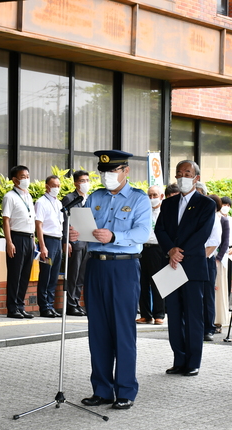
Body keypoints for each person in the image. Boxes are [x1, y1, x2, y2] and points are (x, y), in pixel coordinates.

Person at [73, 150, 151, 411]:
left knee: (123, 330)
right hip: (96, 266)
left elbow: (142, 232)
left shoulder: (139, 199)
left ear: (125, 171)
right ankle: (102, 389)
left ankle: (126, 390)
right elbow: (86, 229)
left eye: (112, 171)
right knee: (98, 330)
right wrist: (76, 234)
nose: (106, 176)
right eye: (103, 172)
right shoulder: (95, 197)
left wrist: (114, 236)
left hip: (124, 268)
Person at [155, 160, 216, 376]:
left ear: (196, 178)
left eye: (187, 173)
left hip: (192, 266)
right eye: (179, 173)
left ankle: (193, 361)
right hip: (171, 265)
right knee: (174, 313)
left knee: (193, 315)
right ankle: (178, 359)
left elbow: (202, 234)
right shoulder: (168, 203)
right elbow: (159, 229)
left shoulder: (207, 204)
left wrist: (180, 252)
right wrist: (171, 250)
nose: (182, 177)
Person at [2, 166, 36, 319]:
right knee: (15, 273)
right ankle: (12, 307)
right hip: (17, 237)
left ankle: (21, 305)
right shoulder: (10, 196)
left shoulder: (28, 196)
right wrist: (9, 242)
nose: (26, 179)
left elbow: (31, 219)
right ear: (14, 180)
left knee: (25, 274)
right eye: (23, 176)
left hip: (29, 238)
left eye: (27, 176)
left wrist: (34, 239)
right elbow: (6, 221)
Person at [61, 170, 90, 317]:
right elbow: (65, 220)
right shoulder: (70, 198)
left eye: (87, 180)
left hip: (87, 242)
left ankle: (76, 301)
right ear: (75, 183)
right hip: (75, 241)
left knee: (81, 275)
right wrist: (66, 241)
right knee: (73, 273)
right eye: (82, 181)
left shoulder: (89, 199)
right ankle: (70, 303)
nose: (85, 183)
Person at [35, 175, 64, 318]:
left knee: (54, 275)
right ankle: (44, 306)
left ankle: (51, 305)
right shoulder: (41, 202)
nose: (56, 188)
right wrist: (42, 245)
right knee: (46, 273)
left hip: (57, 241)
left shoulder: (58, 203)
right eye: (54, 185)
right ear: (47, 186)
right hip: (48, 241)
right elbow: (38, 225)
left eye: (58, 185)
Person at [137, 185, 166, 325]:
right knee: (142, 282)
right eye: (149, 195)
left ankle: (159, 314)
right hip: (143, 249)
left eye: (155, 195)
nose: (152, 198)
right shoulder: (143, 211)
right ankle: (145, 314)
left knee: (159, 282)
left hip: (158, 249)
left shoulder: (166, 212)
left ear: (161, 196)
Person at [203, 193, 223, 341]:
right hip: (195, 259)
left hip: (206, 260)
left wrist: (200, 258)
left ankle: (209, 328)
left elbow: (214, 242)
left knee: (207, 295)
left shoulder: (215, 219)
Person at [211, 194, 230, 334]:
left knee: (219, 291)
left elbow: (225, 242)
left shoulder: (223, 220)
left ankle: (218, 321)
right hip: (206, 259)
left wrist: (218, 258)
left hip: (219, 260)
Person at [220, 196, 232, 303]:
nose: (225, 207)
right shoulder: (216, 218)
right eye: (223, 204)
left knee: (228, 276)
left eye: (227, 205)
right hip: (220, 251)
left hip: (230, 251)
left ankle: (227, 300)